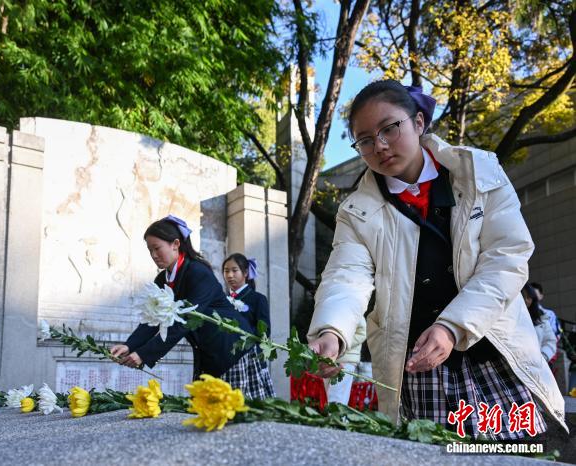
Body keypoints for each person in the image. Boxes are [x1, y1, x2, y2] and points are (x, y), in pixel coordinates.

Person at [306, 79, 566, 439]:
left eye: (389, 128)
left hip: (493, 350)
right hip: (419, 367)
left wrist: (451, 326)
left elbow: (507, 258)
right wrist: (332, 331)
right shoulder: (357, 211)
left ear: (418, 122)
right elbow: (346, 277)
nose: (379, 145)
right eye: (365, 140)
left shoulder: (479, 174)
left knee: (511, 453)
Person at [110, 216, 274, 399]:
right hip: (207, 355)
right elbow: (153, 319)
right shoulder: (162, 280)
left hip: (232, 352)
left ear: (175, 244)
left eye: (157, 248)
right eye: (150, 250)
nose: (154, 255)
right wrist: (129, 345)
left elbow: (185, 321)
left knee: (240, 410)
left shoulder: (198, 272)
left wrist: (144, 354)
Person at [221, 253, 276, 397]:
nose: (230, 275)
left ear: (245, 273)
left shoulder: (258, 299)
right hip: (226, 362)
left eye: (234, 270)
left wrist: (242, 338)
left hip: (250, 362)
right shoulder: (222, 300)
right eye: (226, 271)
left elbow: (265, 331)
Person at [523, 284, 558, 363]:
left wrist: (543, 357)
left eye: (529, 297)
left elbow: (550, 340)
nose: (526, 300)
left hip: (538, 364)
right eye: (523, 296)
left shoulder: (543, 316)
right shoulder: (510, 316)